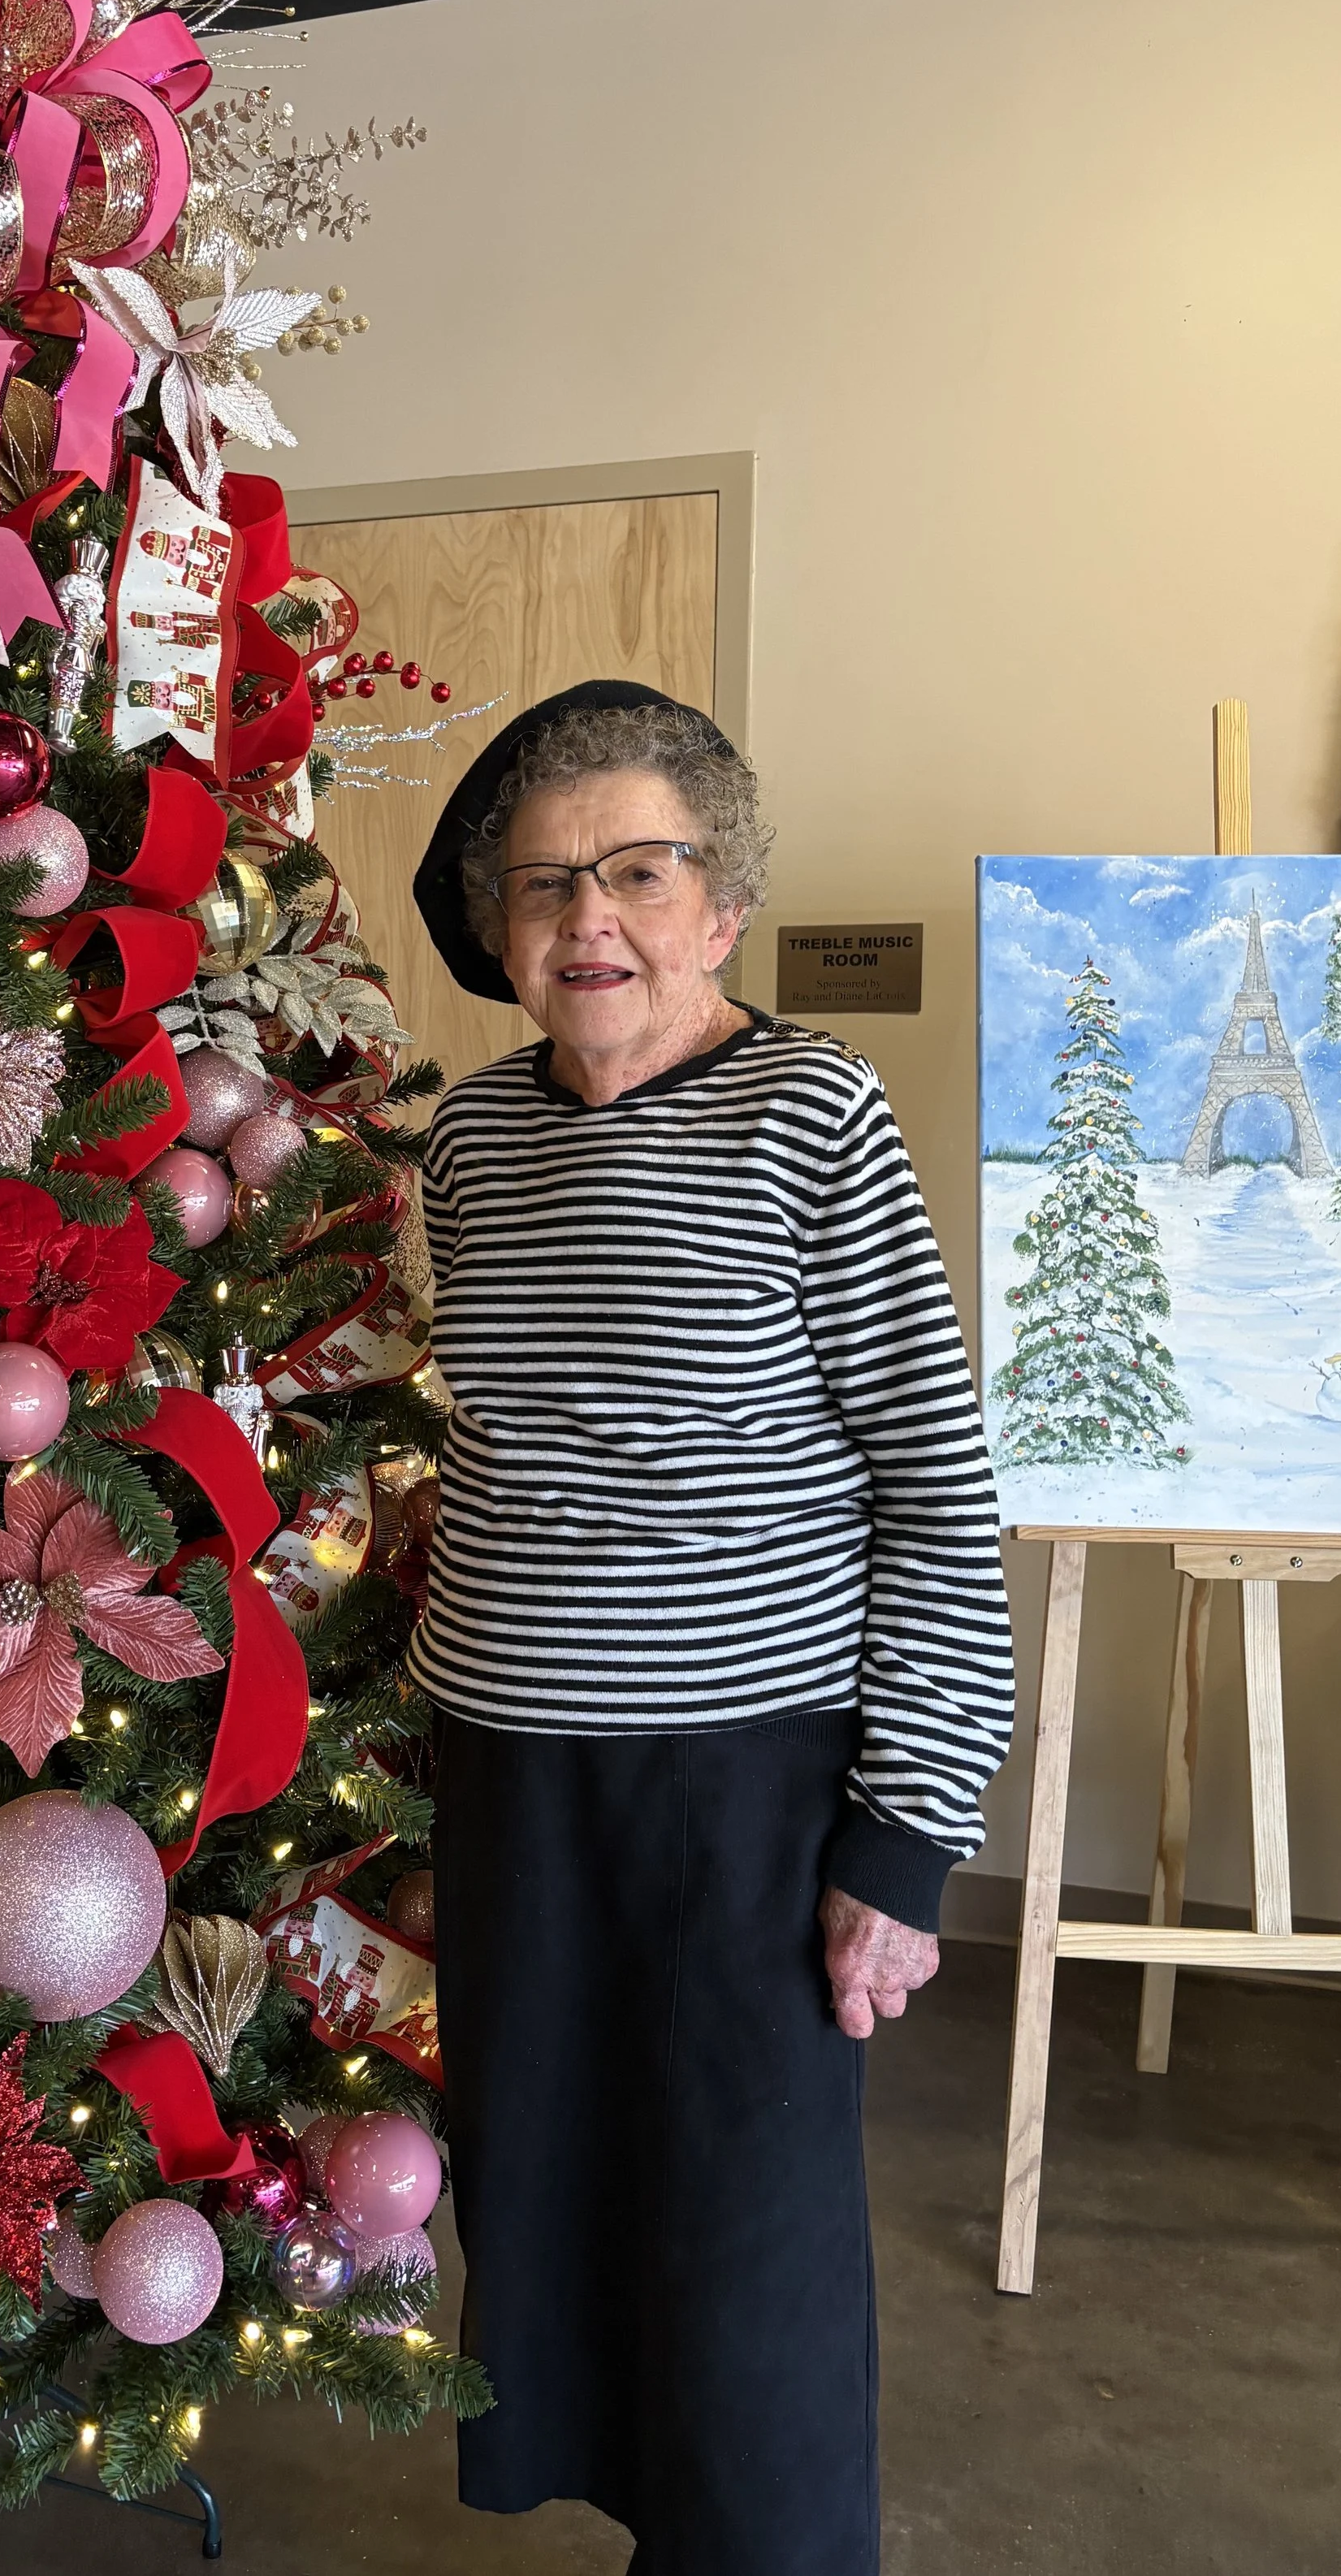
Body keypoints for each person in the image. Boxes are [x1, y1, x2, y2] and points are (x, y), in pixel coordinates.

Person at [407, 682, 1015, 2576]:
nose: (585, 917)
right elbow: (497, 1434)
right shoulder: (473, 1142)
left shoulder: (810, 1110)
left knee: (744, 2238)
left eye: (635, 871)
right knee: (551, 2208)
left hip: (741, 1779)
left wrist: (901, 1841)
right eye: (539, 884)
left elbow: (932, 1488)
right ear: (497, 931)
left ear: (720, 905)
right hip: (507, 1769)